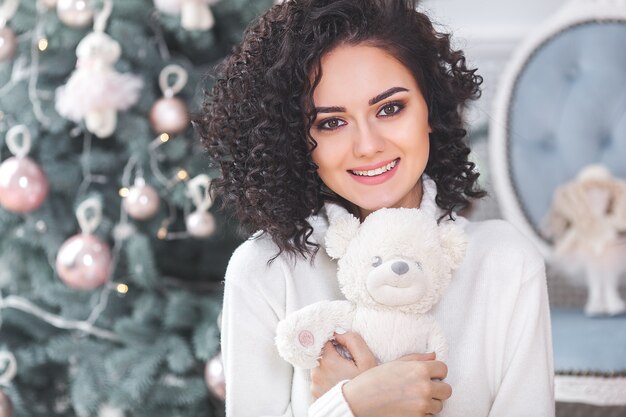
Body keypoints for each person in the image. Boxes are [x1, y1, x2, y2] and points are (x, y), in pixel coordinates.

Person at [197, 0, 555, 416]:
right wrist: (354, 404)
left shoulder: (506, 264)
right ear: (296, 140)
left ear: (431, 111)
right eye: (331, 122)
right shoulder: (264, 272)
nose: (368, 146)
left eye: (389, 108)